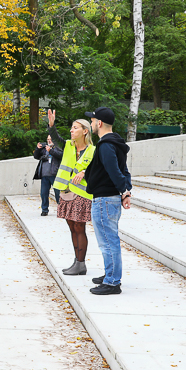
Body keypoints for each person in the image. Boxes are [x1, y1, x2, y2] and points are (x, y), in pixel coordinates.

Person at [83, 107, 133, 295]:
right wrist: (126, 191)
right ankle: (109, 275)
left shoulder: (105, 145)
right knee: (108, 240)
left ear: (100, 123)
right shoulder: (116, 143)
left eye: (93, 121)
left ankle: (112, 282)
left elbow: (114, 171)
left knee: (108, 242)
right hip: (109, 198)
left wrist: (124, 190)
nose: (92, 124)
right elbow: (124, 171)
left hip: (104, 199)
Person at [47, 109, 96, 276]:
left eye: (75, 128)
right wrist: (51, 125)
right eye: (71, 127)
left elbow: (95, 169)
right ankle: (77, 262)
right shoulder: (69, 145)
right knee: (71, 227)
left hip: (82, 194)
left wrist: (85, 172)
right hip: (66, 192)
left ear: (85, 131)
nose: (71, 130)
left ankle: (81, 263)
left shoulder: (92, 150)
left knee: (79, 226)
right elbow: (56, 140)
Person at [33, 135, 63, 216]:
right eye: (48, 139)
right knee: (44, 193)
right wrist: (38, 149)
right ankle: (44, 210)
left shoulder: (58, 147)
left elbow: (61, 155)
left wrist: (51, 151)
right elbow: (36, 156)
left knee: (58, 193)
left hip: (55, 174)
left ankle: (61, 209)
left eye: (51, 139)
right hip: (44, 175)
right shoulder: (44, 149)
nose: (49, 141)